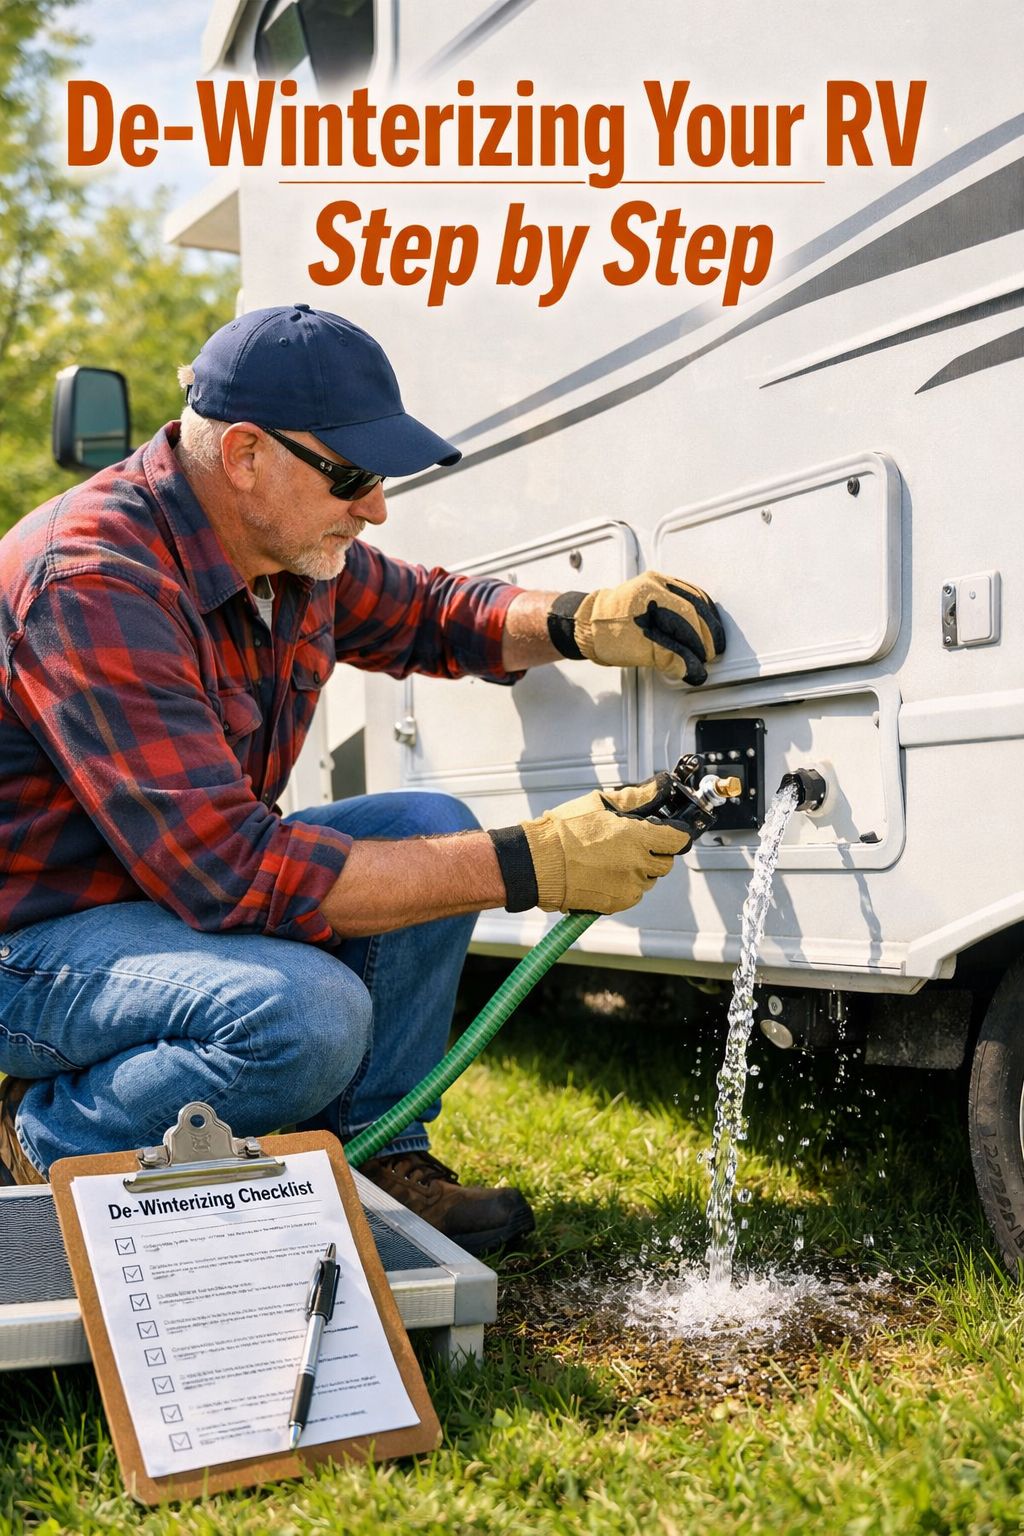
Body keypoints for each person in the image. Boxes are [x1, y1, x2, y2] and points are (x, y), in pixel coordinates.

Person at [0, 305, 725, 1253]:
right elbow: (230, 871)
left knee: (427, 815)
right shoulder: (92, 578)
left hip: (156, 904)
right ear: (247, 453)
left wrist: (580, 618)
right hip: (33, 943)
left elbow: (430, 611)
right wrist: (534, 862)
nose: (376, 505)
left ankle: (376, 1150)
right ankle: (45, 1136)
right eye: (353, 477)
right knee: (301, 1015)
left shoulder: (284, 545)